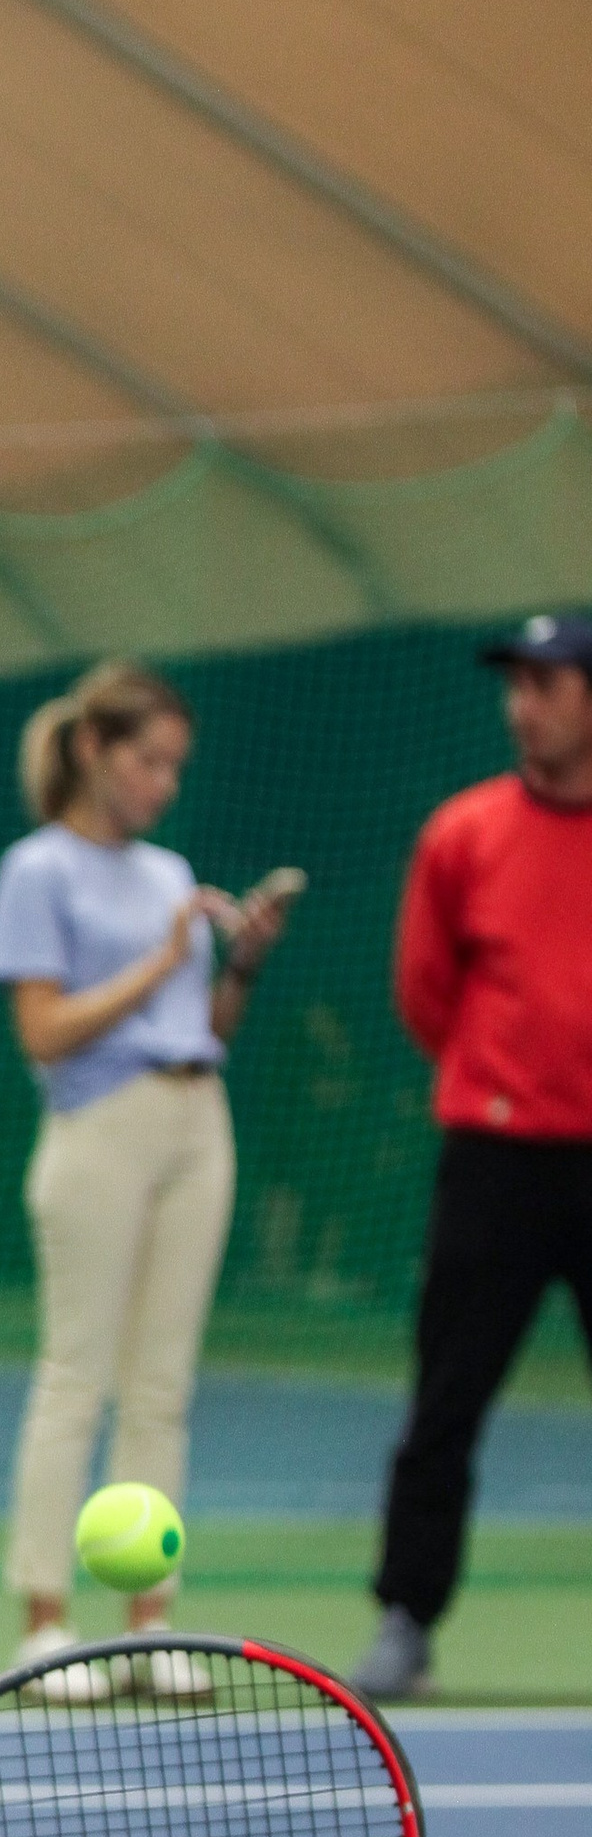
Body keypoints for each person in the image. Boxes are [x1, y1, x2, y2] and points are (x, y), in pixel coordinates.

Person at [0, 658, 297, 1699]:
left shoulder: (167, 871)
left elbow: (204, 1029)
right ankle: (42, 1622)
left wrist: (236, 959)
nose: (162, 781)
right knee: (78, 1375)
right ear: (90, 749)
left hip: (197, 1119)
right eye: (145, 758)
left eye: (173, 764)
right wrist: (158, 965)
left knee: (161, 1385)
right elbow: (42, 1029)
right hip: (95, 1125)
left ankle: (148, 1623)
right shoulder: (38, 869)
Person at [356, 611, 592, 1702]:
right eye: (516, 683)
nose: (523, 703)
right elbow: (424, 991)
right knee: (444, 1399)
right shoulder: (463, 833)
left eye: (547, 683)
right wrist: (497, 1078)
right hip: (494, 1160)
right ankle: (407, 1616)